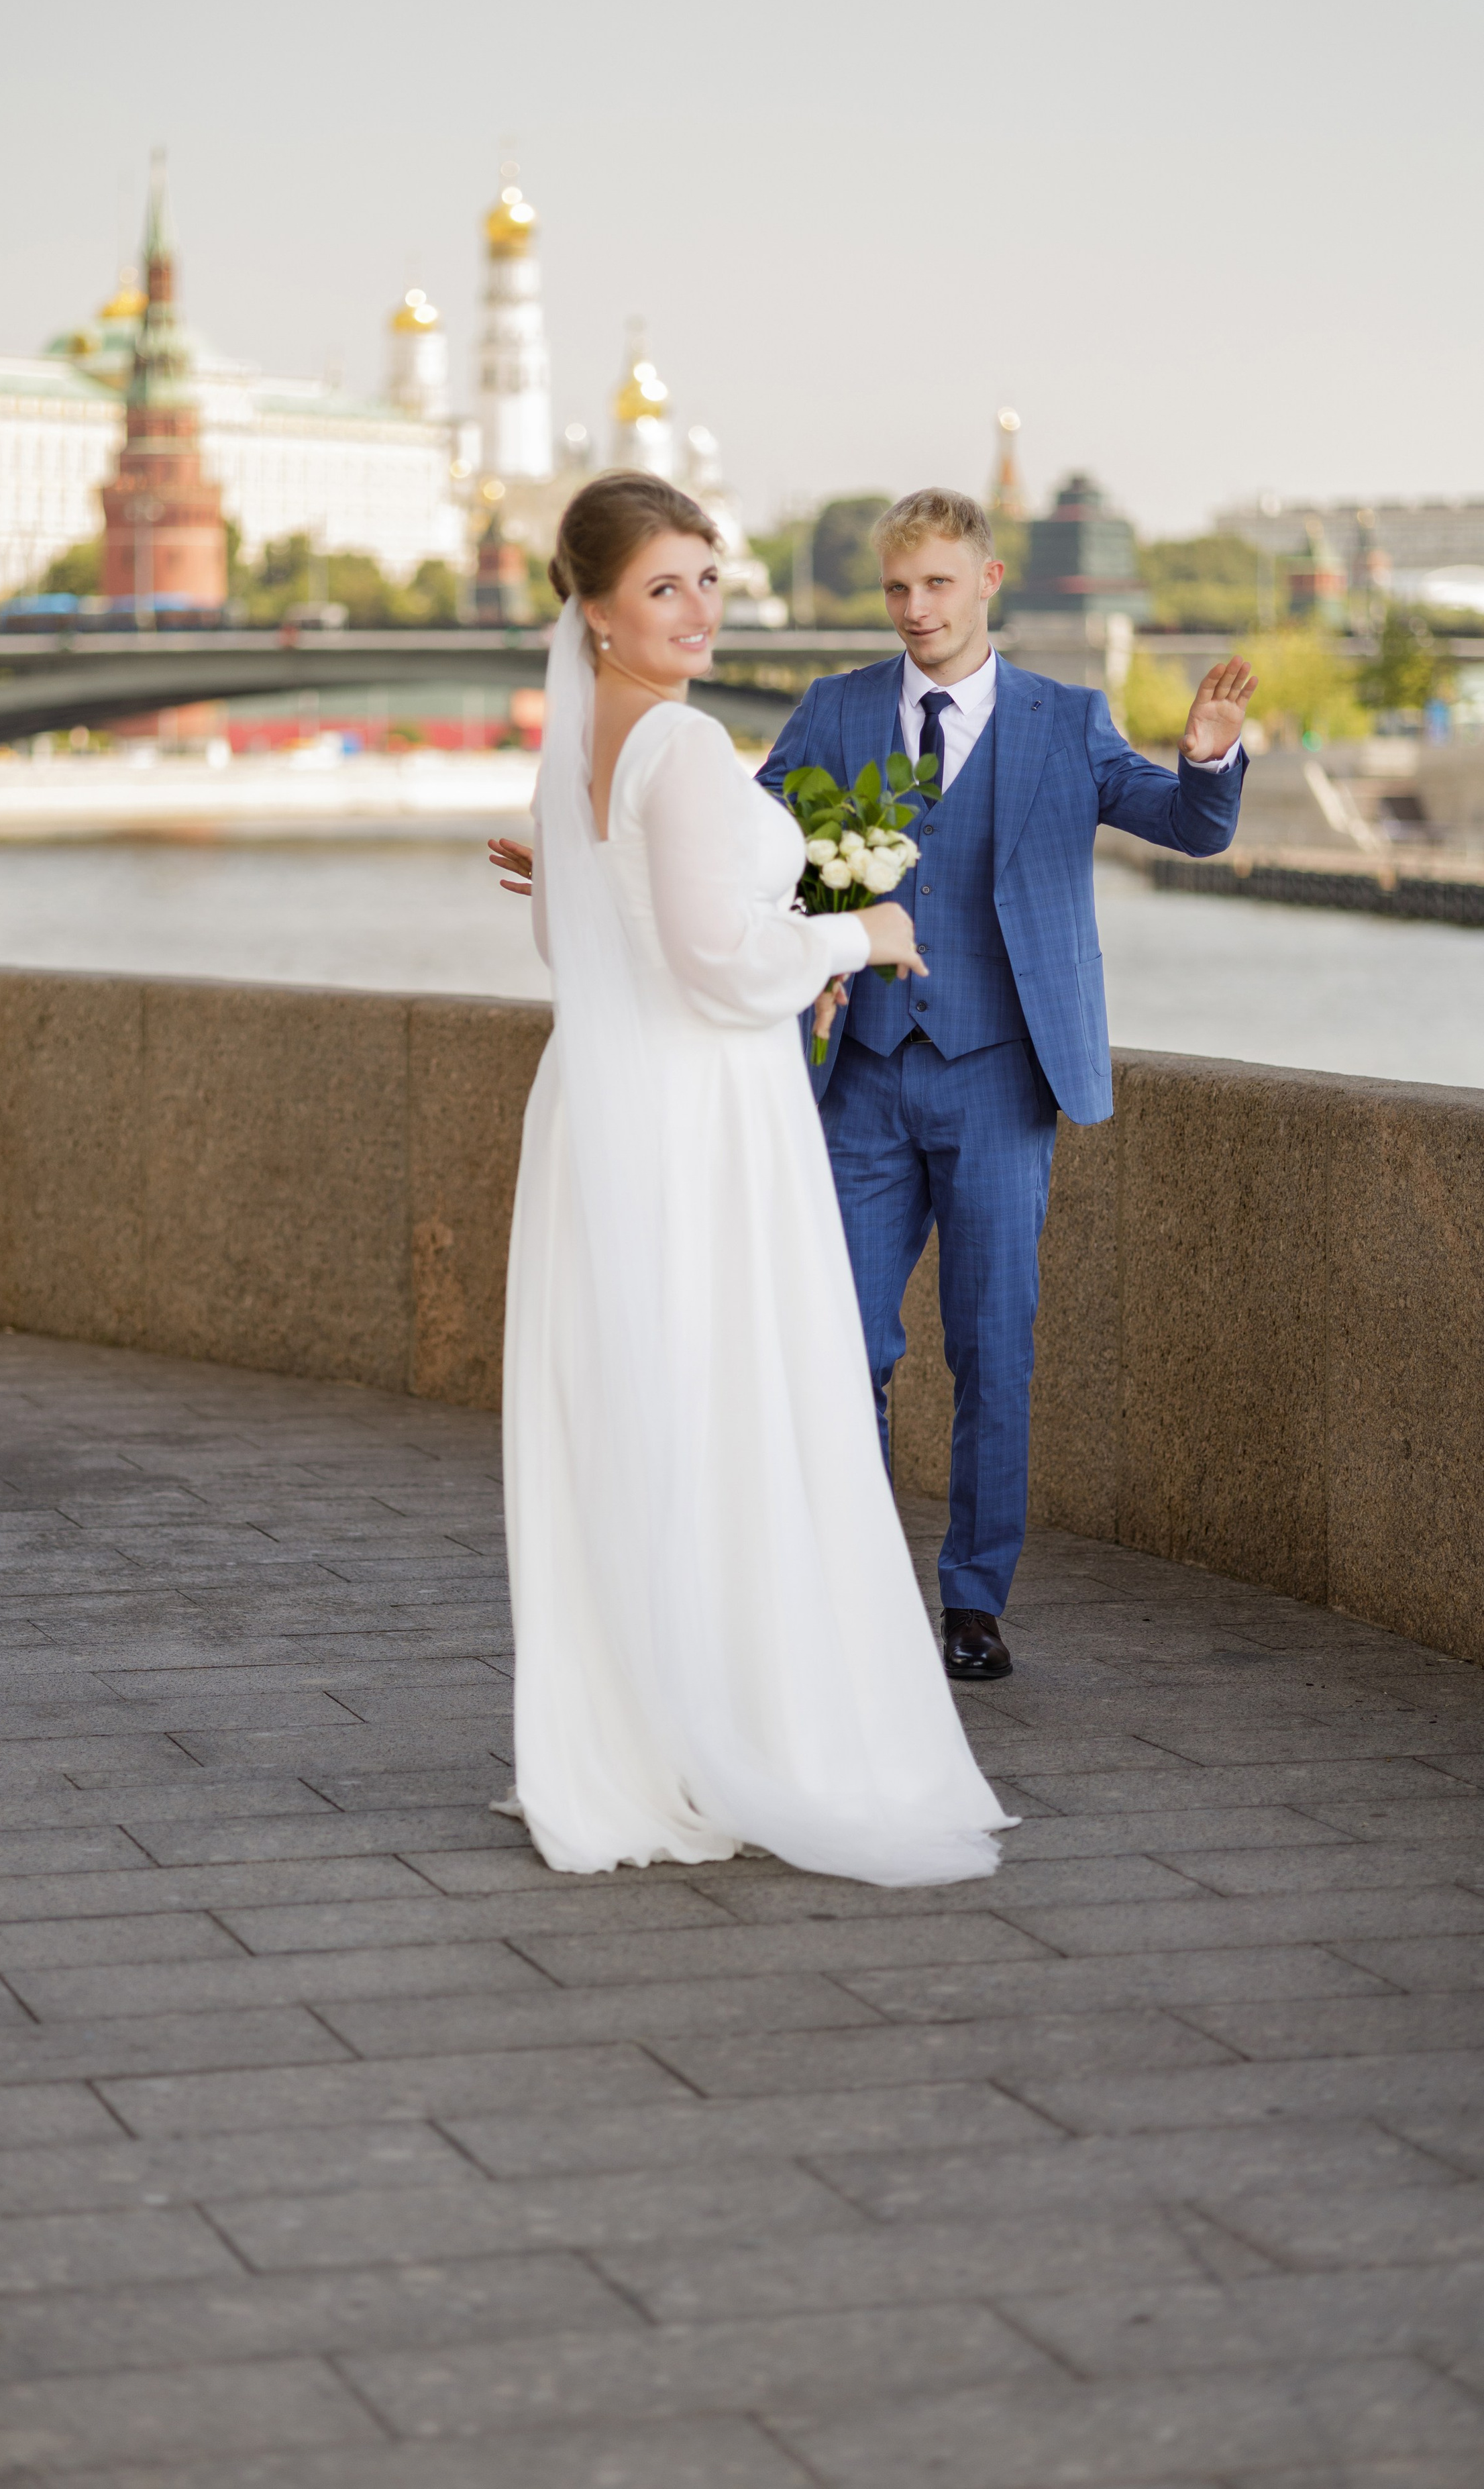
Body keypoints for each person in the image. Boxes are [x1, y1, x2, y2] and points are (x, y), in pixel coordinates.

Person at [488, 470, 1010, 1885]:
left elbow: (589, 946)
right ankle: (738, 1722)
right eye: (663, 587)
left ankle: (638, 1727)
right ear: (594, 611)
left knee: (640, 1406)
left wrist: (753, 914)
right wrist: (865, 932)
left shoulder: (579, 745)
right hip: (703, 1111)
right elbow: (722, 966)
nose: (698, 609)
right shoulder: (676, 743)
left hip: (602, 1101)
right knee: (729, 1397)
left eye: (708, 579)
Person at [759, 489, 1256, 1684]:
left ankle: (974, 1601)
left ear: (987, 582)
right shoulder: (832, 712)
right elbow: (752, 841)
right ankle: (863, 1582)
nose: (915, 610)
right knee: (843, 1341)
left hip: (1001, 1078)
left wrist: (1205, 758)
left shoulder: (1067, 720)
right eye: (896, 589)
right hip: (862, 1077)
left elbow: (1189, 829)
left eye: (937, 584)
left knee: (994, 1350)